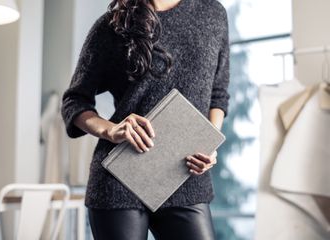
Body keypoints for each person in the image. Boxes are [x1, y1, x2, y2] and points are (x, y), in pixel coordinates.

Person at [61, 0, 230, 239]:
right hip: (120, 178)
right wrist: (111, 130)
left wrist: (209, 141)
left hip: (185, 174)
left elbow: (218, 94)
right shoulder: (113, 25)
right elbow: (74, 101)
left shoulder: (213, 13)